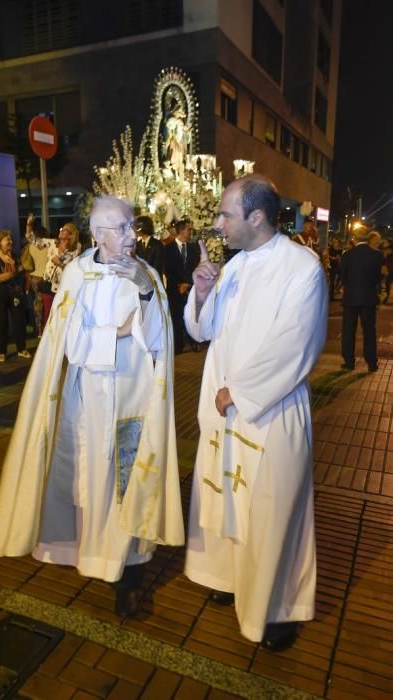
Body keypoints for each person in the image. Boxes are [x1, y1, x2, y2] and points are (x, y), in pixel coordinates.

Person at [0, 195, 184, 618]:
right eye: (122, 228)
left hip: (133, 396)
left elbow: (163, 339)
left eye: (133, 226)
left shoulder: (146, 273)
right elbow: (69, 343)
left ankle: (130, 578)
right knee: (96, 486)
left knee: (128, 484)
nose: (132, 235)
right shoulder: (77, 274)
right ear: (98, 233)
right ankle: (99, 560)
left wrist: (146, 295)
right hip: (88, 401)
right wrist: (117, 334)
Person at [183, 175, 327, 651]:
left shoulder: (302, 268)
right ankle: (226, 576)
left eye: (226, 215)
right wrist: (203, 292)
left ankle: (279, 607)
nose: (218, 223)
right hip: (225, 413)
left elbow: (295, 344)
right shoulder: (235, 267)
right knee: (224, 499)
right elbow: (205, 332)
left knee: (271, 511)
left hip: (270, 412)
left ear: (256, 216)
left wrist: (238, 392)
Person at [25, 216, 80, 330]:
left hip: (64, 286)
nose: (61, 231)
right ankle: (47, 341)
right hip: (48, 285)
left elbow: (74, 269)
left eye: (64, 230)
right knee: (49, 313)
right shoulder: (52, 243)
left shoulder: (75, 249)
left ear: (71, 234)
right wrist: (29, 225)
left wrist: (59, 263)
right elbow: (32, 239)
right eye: (61, 229)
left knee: (62, 314)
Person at [340, 225, 383, 372]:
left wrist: (350, 286)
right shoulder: (377, 255)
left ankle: (349, 361)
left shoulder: (347, 255)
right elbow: (378, 277)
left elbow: (342, 276)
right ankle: (371, 363)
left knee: (348, 330)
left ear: (354, 238)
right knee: (369, 331)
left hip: (351, 298)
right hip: (369, 298)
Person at [0, 230, 31, 363]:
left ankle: (21, 348)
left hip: (15, 292)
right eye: (7, 239)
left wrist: (14, 272)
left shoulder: (15, 256)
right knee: (2, 322)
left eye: (11, 239)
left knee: (19, 320)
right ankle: (1, 351)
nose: (10, 242)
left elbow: (22, 269)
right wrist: (14, 272)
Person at [164, 219, 200, 354]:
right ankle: (178, 345)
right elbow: (167, 270)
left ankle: (194, 341)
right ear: (181, 231)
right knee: (176, 317)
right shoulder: (167, 248)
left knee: (192, 315)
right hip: (174, 289)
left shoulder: (193, 248)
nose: (190, 232)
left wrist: (188, 284)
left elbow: (196, 268)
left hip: (190, 288)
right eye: (189, 229)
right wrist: (178, 285)